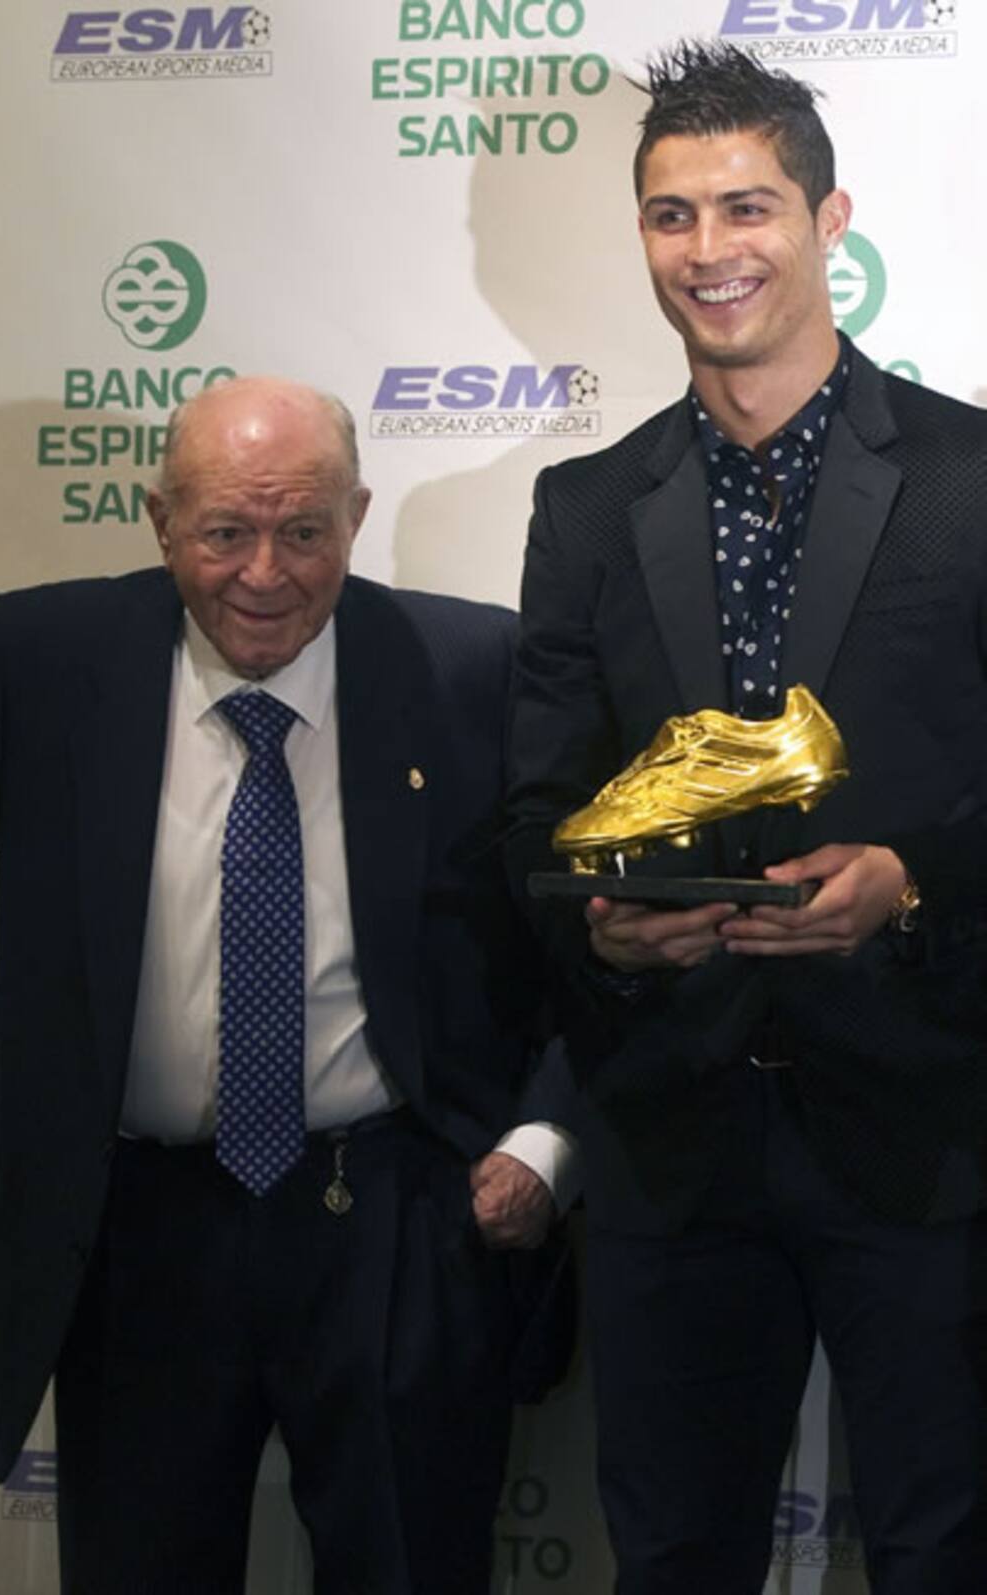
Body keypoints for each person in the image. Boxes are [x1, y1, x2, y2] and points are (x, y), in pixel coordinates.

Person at [0, 376, 579, 1595]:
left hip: (392, 1215)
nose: (265, 572)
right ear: (161, 521)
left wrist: (542, 1138)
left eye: (304, 529)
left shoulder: (470, 664)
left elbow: (585, 936)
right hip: (136, 1231)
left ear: (356, 517)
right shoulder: (46, 657)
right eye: (225, 531)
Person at [506, 40, 987, 1595]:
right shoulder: (589, 508)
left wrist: (914, 875)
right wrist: (602, 925)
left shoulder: (972, 478)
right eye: (672, 214)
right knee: (674, 1556)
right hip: (673, 1134)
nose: (708, 250)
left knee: (942, 1549)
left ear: (829, 218)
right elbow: (538, 807)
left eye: (746, 206)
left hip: (929, 1126)